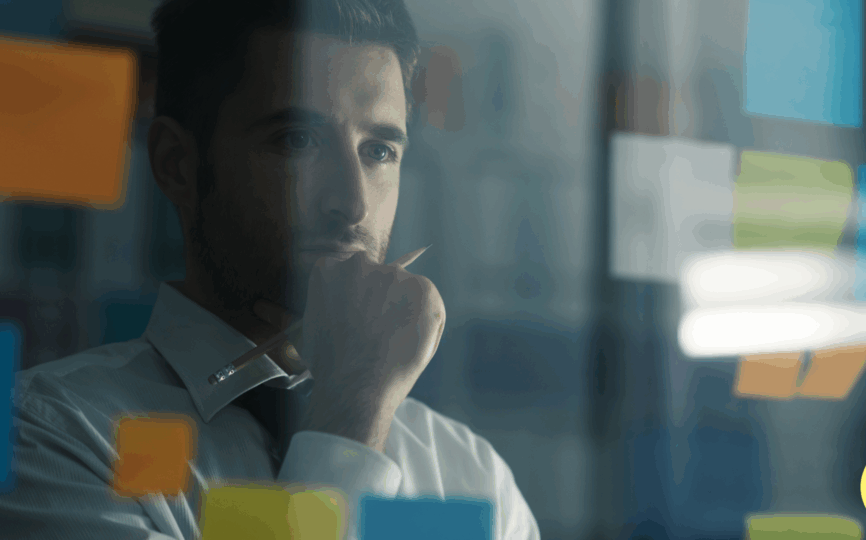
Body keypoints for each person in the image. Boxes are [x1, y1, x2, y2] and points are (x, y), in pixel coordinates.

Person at [0, 1, 541, 538]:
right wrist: (350, 416)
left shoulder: (472, 475)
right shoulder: (49, 436)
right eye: (298, 140)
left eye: (378, 151)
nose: (352, 204)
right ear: (176, 164)